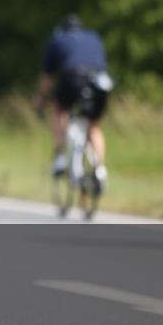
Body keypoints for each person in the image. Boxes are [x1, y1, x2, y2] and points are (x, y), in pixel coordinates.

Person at [34, 15, 113, 192]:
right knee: (93, 126)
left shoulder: (58, 39)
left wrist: (41, 98)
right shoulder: (93, 36)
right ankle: (100, 169)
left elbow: (48, 75)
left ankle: (61, 156)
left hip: (73, 78)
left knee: (59, 109)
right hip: (100, 81)